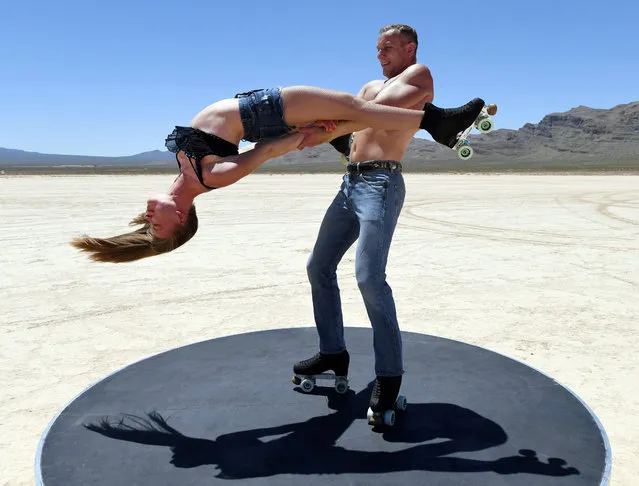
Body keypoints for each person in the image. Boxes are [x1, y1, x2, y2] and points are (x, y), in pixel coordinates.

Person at [71, 84, 486, 263]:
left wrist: (319, 133)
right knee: (352, 107)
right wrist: (301, 136)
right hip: (264, 112)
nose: (147, 218)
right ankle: (437, 123)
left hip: (260, 107)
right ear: (179, 219)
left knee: (348, 115)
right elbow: (265, 152)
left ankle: (358, 135)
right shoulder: (211, 179)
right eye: (155, 226)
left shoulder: (184, 175)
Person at [291, 24, 439, 422]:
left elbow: (366, 114)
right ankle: (333, 352)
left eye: (388, 47)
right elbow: (349, 120)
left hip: (382, 182)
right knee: (317, 266)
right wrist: (332, 124)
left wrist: (343, 115)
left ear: (409, 48)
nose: (380, 55)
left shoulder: (419, 75)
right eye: (377, 49)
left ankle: (389, 376)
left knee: (369, 277)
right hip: (350, 182)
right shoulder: (369, 84)